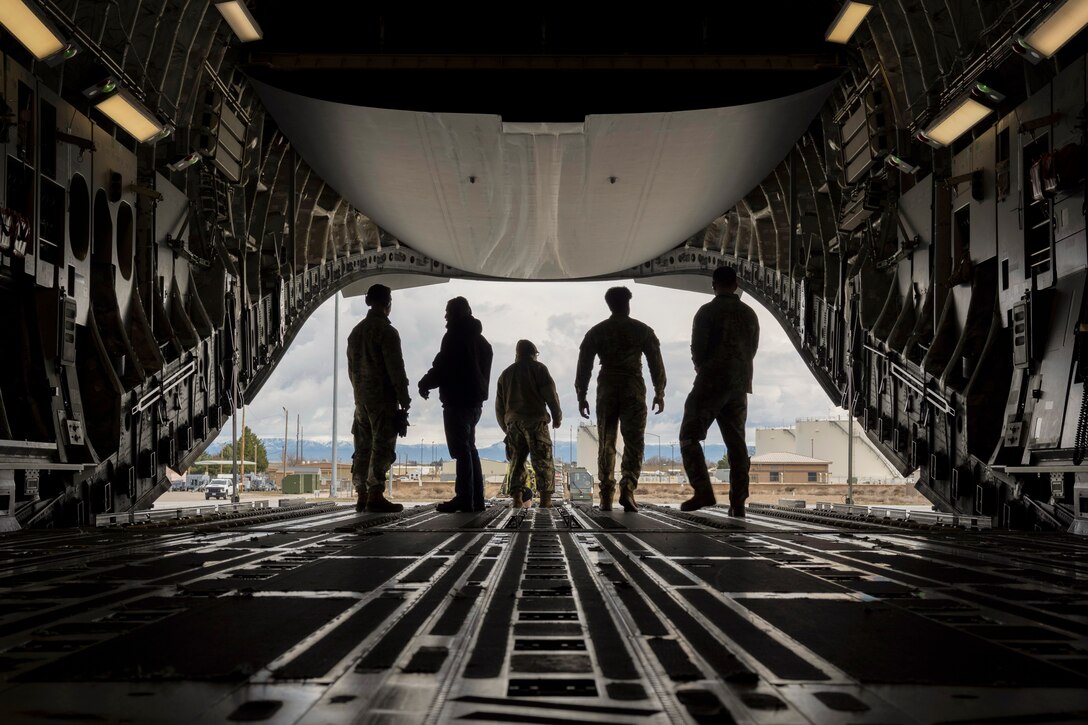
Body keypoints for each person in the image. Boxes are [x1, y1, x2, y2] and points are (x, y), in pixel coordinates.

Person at [575, 286, 666, 512]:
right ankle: (628, 489)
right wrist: (659, 391)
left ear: (609, 304)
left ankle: (606, 495)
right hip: (633, 387)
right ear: (628, 303)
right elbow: (656, 363)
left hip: (606, 387)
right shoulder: (642, 330)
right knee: (634, 441)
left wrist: (581, 394)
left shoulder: (596, 332)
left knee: (606, 441)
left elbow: (584, 366)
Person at [679, 265, 759, 516]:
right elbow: (752, 348)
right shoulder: (749, 314)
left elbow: (697, 349)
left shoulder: (707, 312)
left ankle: (703, 490)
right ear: (736, 285)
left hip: (711, 380)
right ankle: (738, 503)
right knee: (737, 444)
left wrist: (704, 369)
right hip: (740, 385)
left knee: (689, 436)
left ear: (714, 285)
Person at [418, 296, 493, 513]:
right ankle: (477, 499)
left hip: (456, 402)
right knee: (470, 449)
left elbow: (443, 366)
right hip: (475, 403)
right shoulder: (482, 342)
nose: (445, 316)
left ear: (455, 313)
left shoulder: (454, 336)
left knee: (461, 451)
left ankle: (464, 499)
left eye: (448, 311)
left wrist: (425, 383)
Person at [347, 283, 411, 513]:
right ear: (388, 304)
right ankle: (375, 494)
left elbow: (351, 370)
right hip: (382, 400)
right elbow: (396, 368)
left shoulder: (355, 332)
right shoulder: (387, 332)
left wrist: (360, 393)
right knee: (382, 446)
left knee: (363, 447)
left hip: (360, 401)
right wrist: (404, 398)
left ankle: (361, 495)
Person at [495, 340, 562, 508]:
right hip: (535, 422)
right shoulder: (539, 369)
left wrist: (507, 428)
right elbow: (551, 394)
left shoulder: (505, 374)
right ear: (533, 353)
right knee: (542, 461)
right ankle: (545, 501)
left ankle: (517, 499)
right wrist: (557, 416)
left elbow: (499, 407)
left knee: (516, 463)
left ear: (517, 354)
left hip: (513, 424)